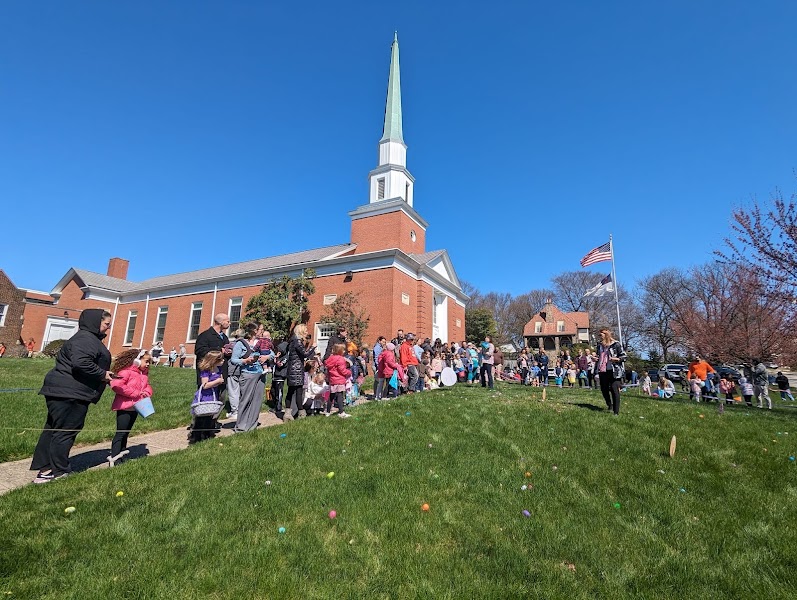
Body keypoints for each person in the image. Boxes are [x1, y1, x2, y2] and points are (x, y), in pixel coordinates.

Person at [30, 309, 113, 483]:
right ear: (95, 322)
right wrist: (103, 374)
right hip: (70, 393)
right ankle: (58, 471)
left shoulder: (85, 339)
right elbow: (81, 362)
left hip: (64, 391)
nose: (108, 327)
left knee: (54, 429)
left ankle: (45, 469)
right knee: (66, 431)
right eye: (106, 324)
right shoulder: (85, 339)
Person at [108, 349, 153, 466]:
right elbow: (116, 386)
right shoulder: (126, 372)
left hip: (136, 407)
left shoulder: (143, 375)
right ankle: (115, 457)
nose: (148, 364)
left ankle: (122, 453)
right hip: (125, 407)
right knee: (121, 432)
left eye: (149, 362)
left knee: (127, 432)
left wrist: (146, 392)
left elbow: (147, 386)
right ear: (137, 360)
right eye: (146, 361)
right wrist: (135, 393)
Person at [231, 323, 267, 432]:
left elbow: (272, 354)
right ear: (254, 331)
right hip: (247, 374)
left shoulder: (262, 342)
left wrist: (266, 357)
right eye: (261, 329)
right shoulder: (241, 343)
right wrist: (245, 361)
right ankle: (241, 426)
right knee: (245, 399)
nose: (262, 331)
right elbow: (234, 359)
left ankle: (252, 426)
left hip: (260, 374)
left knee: (257, 400)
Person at [190, 350, 225, 443]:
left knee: (210, 416)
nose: (223, 361)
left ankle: (208, 433)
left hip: (214, 394)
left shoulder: (218, 369)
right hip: (205, 396)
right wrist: (217, 382)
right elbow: (204, 385)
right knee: (202, 416)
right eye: (220, 359)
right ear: (214, 360)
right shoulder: (206, 371)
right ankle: (197, 436)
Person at [286, 324, 316, 420]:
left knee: (290, 391)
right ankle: (301, 413)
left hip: (292, 368)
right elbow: (305, 354)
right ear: (301, 331)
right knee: (299, 391)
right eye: (306, 330)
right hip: (297, 369)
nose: (307, 332)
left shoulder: (292, 341)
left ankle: (287, 413)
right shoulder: (298, 341)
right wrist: (313, 347)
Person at [194, 313, 231, 388]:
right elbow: (199, 351)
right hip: (208, 374)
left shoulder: (224, 337)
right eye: (228, 321)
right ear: (221, 322)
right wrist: (219, 350)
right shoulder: (205, 335)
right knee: (206, 398)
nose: (229, 323)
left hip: (221, 374)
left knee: (221, 398)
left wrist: (229, 352)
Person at [595, 328, 626, 415]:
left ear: (606, 335)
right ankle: (609, 404)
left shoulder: (616, 344)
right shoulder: (599, 346)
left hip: (614, 371)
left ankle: (616, 412)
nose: (600, 337)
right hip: (602, 370)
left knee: (614, 389)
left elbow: (624, 356)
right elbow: (599, 356)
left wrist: (617, 359)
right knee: (604, 389)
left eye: (601, 335)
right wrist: (596, 359)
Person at [324, 343, 352, 418]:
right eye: (343, 350)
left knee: (331, 396)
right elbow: (342, 370)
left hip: (332, 380)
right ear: (339, 351)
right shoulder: (340, 359)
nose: (344, 351)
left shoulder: (330, 359)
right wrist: (349, 372)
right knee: (340, 395)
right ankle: (341, 412)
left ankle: (328, 411)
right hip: (339, 380)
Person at [224, 329, 245, 420]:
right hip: (243, 369)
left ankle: (235, 412)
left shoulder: (231, 345)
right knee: (242, 391)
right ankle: (242, 410)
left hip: (233, 369)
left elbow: (225, 353)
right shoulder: (246, 344)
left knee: (233, 391)